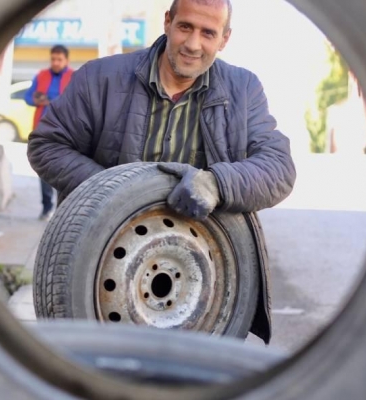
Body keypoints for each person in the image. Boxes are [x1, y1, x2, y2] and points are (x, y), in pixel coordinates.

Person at [27, 0, 295, 343]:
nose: (193, 44)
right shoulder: (100, 78)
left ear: (224, 39)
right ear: (167, 22)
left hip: (205, 290)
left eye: (208, 33)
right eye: (185, 27)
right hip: (95, 276)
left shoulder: (243, 90)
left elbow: (278, 167)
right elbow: (47, 145)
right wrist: (111, 195)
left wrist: (216, 184)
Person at [25, 44, 73, 221]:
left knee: (65, 170)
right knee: (44, 170)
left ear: (66, 60)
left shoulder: (74, 76)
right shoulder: (41, 76)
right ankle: (46, 208)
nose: (56, 62)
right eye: (53, 59)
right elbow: (28, 97)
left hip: (66, 131)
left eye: (59, 59)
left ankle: (64, 210)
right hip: (42, 130)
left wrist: (50, 101)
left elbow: (75, 101)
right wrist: (37, 99)